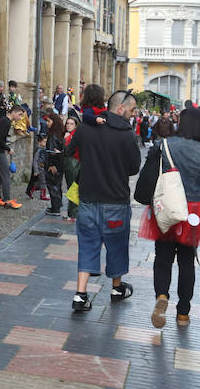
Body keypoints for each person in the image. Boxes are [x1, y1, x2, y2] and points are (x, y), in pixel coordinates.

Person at [135, 106, 200, 328]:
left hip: (167, 206)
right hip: (194, 212)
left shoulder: (165, 144)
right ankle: (183, 313)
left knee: (163, 257)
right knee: (187, 261)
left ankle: (162, 296)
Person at [65, 90, 141, 312]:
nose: (134, 113)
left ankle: (80, 295)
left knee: (87, 246)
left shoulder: (86, 128)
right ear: (120, 109)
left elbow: (70, 150)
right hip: (116, 201)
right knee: (116, 246)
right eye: (132, 109)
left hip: (88, 199)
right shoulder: (127, 134)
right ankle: (117, 289)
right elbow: (134, 168)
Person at [0, 105, 25, 209]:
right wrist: (8, 149)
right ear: (13, 112)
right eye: (19, 114)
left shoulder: (4, 120)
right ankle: (7, 200)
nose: (20, 117)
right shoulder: (6, 122)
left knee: (0, 175)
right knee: (6, 176)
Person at [44, 114, 65, 216]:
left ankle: (55, 208)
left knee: (53, 186)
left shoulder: (53, 135)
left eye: (49, 121)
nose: (47, 123)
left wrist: (52, 164)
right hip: (60, 164)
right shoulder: (60, 133)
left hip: (53, 164)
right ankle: (57, 205)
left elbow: (52, 151)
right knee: (57, 185)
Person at [62, 116, 81, 221]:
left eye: (71, 124)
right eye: (67, 123)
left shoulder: (72, 136)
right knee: (72, 187)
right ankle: (72, 212)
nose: (68, 125)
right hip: (71, 163)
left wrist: (65, 140)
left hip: (73, 163)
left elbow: (69, 150)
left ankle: (73, 214)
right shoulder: (70, 135)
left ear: (76, 125)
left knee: (73, 188)